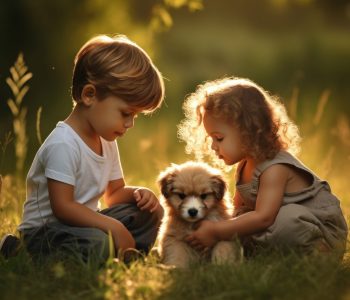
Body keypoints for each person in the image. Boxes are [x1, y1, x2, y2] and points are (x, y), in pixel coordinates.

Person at [0, 34, 165, 264]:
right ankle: (22, 252)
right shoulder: (63, 144)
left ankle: (129, 255)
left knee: (151, 212)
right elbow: (63, 208)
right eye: (126, 113)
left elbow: (114, 194)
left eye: (135, 115)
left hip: (84, 225)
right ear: (89, 95)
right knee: (99, 241)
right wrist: (114, 228)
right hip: (47, 232)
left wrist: (141, 195)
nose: (130, 123)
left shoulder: (107, 140)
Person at [178, 77, 348, 258]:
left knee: (285, 220)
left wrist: (218, 231)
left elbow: (264, 217)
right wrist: (213, 226)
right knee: (241, 219)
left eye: (219, 138)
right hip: (275, 224)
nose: (213, 146)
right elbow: (236, 211)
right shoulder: (244, 165)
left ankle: (318, 254)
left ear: (248, 131)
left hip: (319, 230)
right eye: (210, 138)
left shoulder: (274, 168)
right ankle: (256, 252)